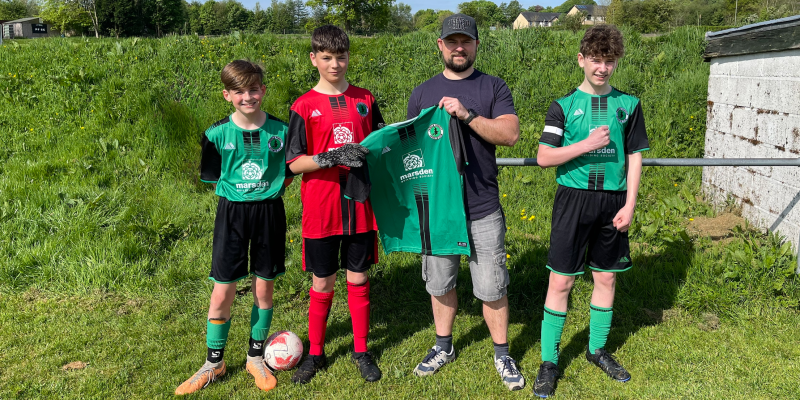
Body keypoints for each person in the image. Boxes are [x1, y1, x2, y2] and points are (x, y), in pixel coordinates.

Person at [406, 13, 525, 391]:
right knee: (439, 282)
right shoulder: (422, 92)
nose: (459, 47)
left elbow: (510, 134)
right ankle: (443, 347)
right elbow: (413, 148)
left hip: (482, 204)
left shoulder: (493, 87)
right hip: (438, 208)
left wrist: (467, 114)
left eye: (466, 41)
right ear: (440, 45)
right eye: (452, 41)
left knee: (492, 285)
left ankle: (502, 353)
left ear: (476, 45)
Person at [532, 24, 650, 398]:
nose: (602, 68)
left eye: (609, 61)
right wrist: (584, 145)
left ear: (616, 62)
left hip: (613, 203)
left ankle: (597, 350)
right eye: (596, 60)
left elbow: (635, 156)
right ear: (581, 59)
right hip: (573, 199)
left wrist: (630, 203)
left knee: (606, 278)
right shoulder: (563, 106)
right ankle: (548, 362)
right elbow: (544, 157)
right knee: (561, 281)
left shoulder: (629, 105)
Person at [175, 60, 293, 395]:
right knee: (222, 290)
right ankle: (214, 363)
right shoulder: (215, 134)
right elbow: (212, 175)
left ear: (263, 91)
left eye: (254, 89)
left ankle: (255, 358)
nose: (248, 97)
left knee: (264, 289)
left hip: (269, 213)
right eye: (239, 91)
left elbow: (289, 170)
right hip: (232, 215)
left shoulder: (282, 131)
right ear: (227, 95)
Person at [285, 24, 384, 384]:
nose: (335, 64)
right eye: (326, 57)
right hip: (321, 209)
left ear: (348, 57)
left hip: (360, 206)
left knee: (358, 277)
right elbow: (294, 163)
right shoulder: (303, 105)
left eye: (340, 57)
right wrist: (330, 157)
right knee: (322, 282)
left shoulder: (366, 99)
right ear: (314, 59)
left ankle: (361, 350)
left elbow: (381, 143)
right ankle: (315, 354)